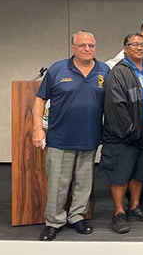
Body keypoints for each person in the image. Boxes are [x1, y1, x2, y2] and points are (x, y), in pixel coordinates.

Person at [32, 30, 110, 241]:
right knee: (58, 183)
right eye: (82, 45)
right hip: (60, 139)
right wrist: (37, 128)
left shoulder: (104, 70)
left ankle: (77, 216)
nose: (87, 49)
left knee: (84, 183)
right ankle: (54, 222)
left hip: (90, 137)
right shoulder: (58, 69)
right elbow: (40, 99)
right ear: (73, 47)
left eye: (91, 46)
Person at [99, 33, 143, 234]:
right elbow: (116, 106)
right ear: (125, 48)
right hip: (124, 136)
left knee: (139, 174)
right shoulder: (118, 72)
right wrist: (131, 131)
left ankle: (134, 207)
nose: (140, 48)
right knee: (120, 175)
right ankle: (119, 212)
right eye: (135, 44)